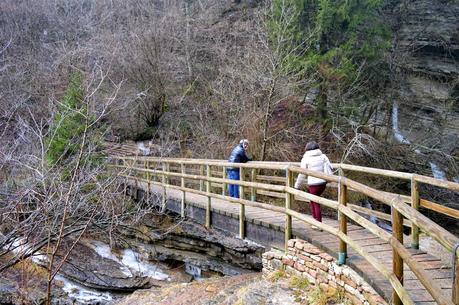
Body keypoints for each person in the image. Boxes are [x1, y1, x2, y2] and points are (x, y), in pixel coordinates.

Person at [294, 141, 333, 230]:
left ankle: (318, 224)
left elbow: (302, 174)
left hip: (313, 184)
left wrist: (297, 186)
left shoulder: (306, 158)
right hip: (323, 183)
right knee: (314, 201)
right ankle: (315, 221)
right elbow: (330, 166)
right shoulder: (323, 156)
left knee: (315, 202)